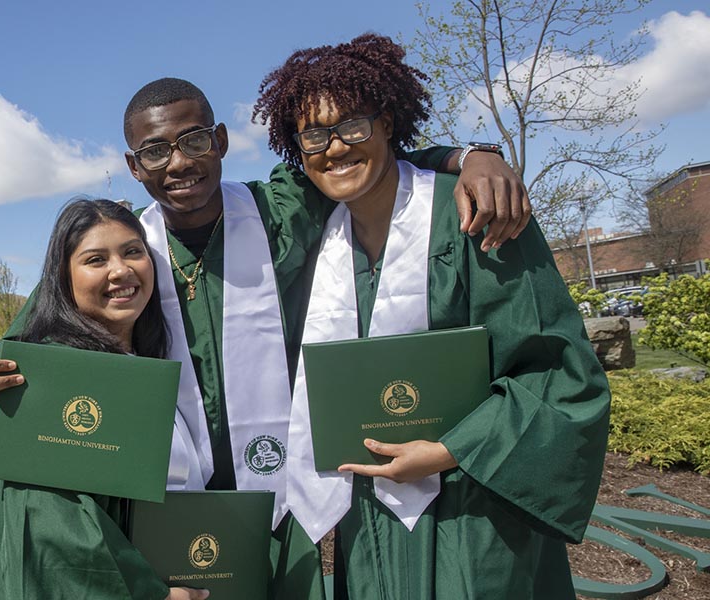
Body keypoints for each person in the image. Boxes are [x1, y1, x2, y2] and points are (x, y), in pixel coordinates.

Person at [0, 77, 532, 600]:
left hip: (279, 502)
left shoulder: (280, 211)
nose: (179, 162)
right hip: (161, 505)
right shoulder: (126, 246)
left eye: (195, 140)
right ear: (134, 165)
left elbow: (356, 161)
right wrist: (3, 378)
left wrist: (468, 156)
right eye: (155, 151)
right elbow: (36, 343)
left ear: (220, 141)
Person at [252, 34, 610, 598]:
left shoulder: (476, 216)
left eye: (353, 125)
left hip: (475, 505)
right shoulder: (316, 234)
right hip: (364, 511)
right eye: (314, 134)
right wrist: (470, 152)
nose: (336, 147)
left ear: (388, 122)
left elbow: (558, 371)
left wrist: (448, 451)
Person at [0, 198, 209, 600]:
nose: (121, 270)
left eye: (133, 251)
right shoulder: (52, 382)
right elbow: (52, 530)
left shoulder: (147, 367)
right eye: (95, 259)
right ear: (63, 278)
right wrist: (155, 595)